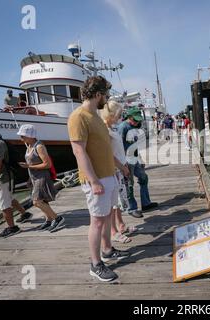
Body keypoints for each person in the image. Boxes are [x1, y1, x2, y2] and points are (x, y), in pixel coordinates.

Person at [68, 76, 130, 282]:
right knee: (96, 222)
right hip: (97, 179)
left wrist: (121, 167)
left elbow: (105, 151)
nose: (106, 98)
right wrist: (94, 181)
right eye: (105, 95)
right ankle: (95, 264)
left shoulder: (96, 116)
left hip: (109, 176)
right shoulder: (79, 117)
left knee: (106, 218)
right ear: (97, 94)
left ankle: (108, 250)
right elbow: (79, 152)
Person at [100, 100, 137, 243]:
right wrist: (122, 167)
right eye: (119, 114)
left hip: (120, 167)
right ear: (112, 114)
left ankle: (120, 225)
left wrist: (124, 163)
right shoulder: (105, 128)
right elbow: (108, 153)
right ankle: (113, 231)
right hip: (114, 169)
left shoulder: (112, 127)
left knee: (120, 199)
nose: (120, 117)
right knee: (113, 203)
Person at [17, 124, 64, 232]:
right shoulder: (28, 145)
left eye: (23, 136)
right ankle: (48, 220)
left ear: (30, 135)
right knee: (43, 200)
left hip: (42, 177)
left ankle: (57, 218)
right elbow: (32, 162)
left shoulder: (39, 146)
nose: (21, 138)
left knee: (36, 201)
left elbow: (47, 164)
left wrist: (28, 166)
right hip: (34, 178)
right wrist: (29, 179)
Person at [117, 107, 158, 218]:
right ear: (129, 117)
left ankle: (146, 203)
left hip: (134, 158)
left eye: (138, 120)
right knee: (129, 184)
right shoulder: (123, 127)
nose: (136, 122)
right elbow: (118, 146)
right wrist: (122, 163)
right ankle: (132, 208)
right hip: (126, 160)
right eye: (134, 119)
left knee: (143, 177)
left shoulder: (133, 127)